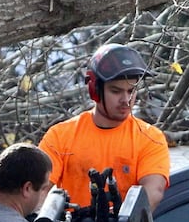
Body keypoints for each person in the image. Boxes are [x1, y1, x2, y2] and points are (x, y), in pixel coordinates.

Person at [39, 43, 171, 212]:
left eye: (131, 90)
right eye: (116, 91)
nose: (126, 99)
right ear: (95, 90)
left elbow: (153, 190)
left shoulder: (150, 138)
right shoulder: (60, 135)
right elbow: (40, 191)